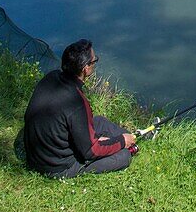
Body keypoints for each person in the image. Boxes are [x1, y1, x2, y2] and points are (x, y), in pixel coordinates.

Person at [23, 39, 136, 178]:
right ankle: (127, 142)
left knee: (99, 121)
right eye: (94, 61)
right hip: (56, 166)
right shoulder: (76, 102)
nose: (95, 64)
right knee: (123, 156)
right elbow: (90, 151)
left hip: (36, 154)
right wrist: (121, 142)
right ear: (86, 68)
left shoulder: (51, 77)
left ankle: (133, 136)